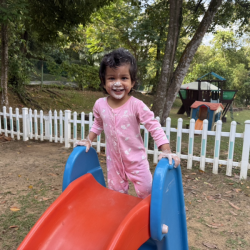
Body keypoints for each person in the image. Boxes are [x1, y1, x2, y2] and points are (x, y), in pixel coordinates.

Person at [75, 48, 180, 199]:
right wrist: (88, 139)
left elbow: (153, 126)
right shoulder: (99, 104)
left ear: (132, 82)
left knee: (147, 193)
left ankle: (150, 221)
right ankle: (122, 220)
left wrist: (166, 150)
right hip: (114, 163)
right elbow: (98, 124)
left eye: (124, 78)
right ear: (104, 83)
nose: (118, 83)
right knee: (117, 196)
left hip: (137, 162)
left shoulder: (136, 105)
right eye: (111, 78)